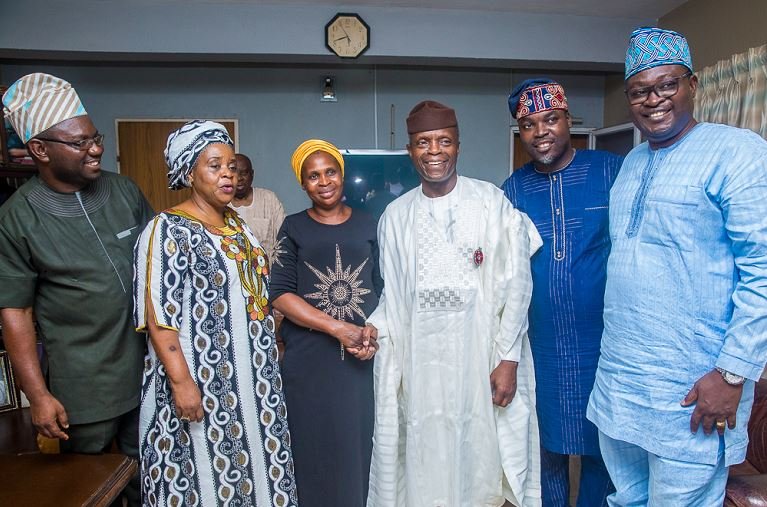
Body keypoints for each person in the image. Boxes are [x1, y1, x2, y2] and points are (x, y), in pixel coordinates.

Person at [587, 27, 767, 505]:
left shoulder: (738, 153)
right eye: (640, 90)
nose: (654, 99)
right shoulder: (630, 164)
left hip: (694, 390)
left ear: (693, 84)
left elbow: (763, 271)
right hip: (622, 389)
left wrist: (732, 374)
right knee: (627, 498)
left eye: (667, 85)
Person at [367, 100, 542, 506]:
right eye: (423, 142)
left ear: (458, 145)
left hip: (480, 359)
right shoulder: (395, 216)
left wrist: (509, 358)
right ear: (410, 150)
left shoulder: (490, 202)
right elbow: (393, 295)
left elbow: (517, 283)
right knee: (425, 449)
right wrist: (372, 330)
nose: (434, 152)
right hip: (421, 365)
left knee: (479, 450)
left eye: (443, 141)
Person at [0, 73, 153, 506]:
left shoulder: (123, 190)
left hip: (147, 372)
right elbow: (15, 312)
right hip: (84, 387)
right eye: (80, 143)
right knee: (86, 487)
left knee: (151, 477)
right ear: (40, 150)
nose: (96, 149)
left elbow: (161, 270)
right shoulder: (17, 219)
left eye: (95, 137)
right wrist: (38, 396)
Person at [133, 120, 298, 506]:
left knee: (259, 475)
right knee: (202, 478)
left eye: (231, 165)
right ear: (189, 172)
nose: (227, 173)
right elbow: (160, 316)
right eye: (214, 165)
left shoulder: (238, 225)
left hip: (254, 384)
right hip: (202, 383)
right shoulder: (166, 230)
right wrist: (181, 384)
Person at [502, 79, 622, 507]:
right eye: (529, 125)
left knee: (604, 451)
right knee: (545, 450)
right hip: (542, 346)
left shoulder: (610, 170)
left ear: (568, 120)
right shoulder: (513, 190)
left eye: (550, 119)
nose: (541, 132)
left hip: (606, 344)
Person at [269, 139, 381, 507]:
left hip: (361, 361)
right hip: (310, 360)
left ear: (341, 174)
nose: (323, 181)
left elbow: (386, 289)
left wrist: (370, 334)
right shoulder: (293, 226)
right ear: (303, 185)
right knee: (313, 448)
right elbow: (280, 293)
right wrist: (338, 328)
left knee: (356, 447)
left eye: (330, 171)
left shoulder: (370, 224)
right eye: (313, 176)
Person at [230, 153, 286, 264]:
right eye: (234, 172)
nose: (239, 178)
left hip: (267, 274)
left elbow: (284, 239)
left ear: (252, 174)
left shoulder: (269, 199)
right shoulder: (221, 205)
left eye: (244, 173)